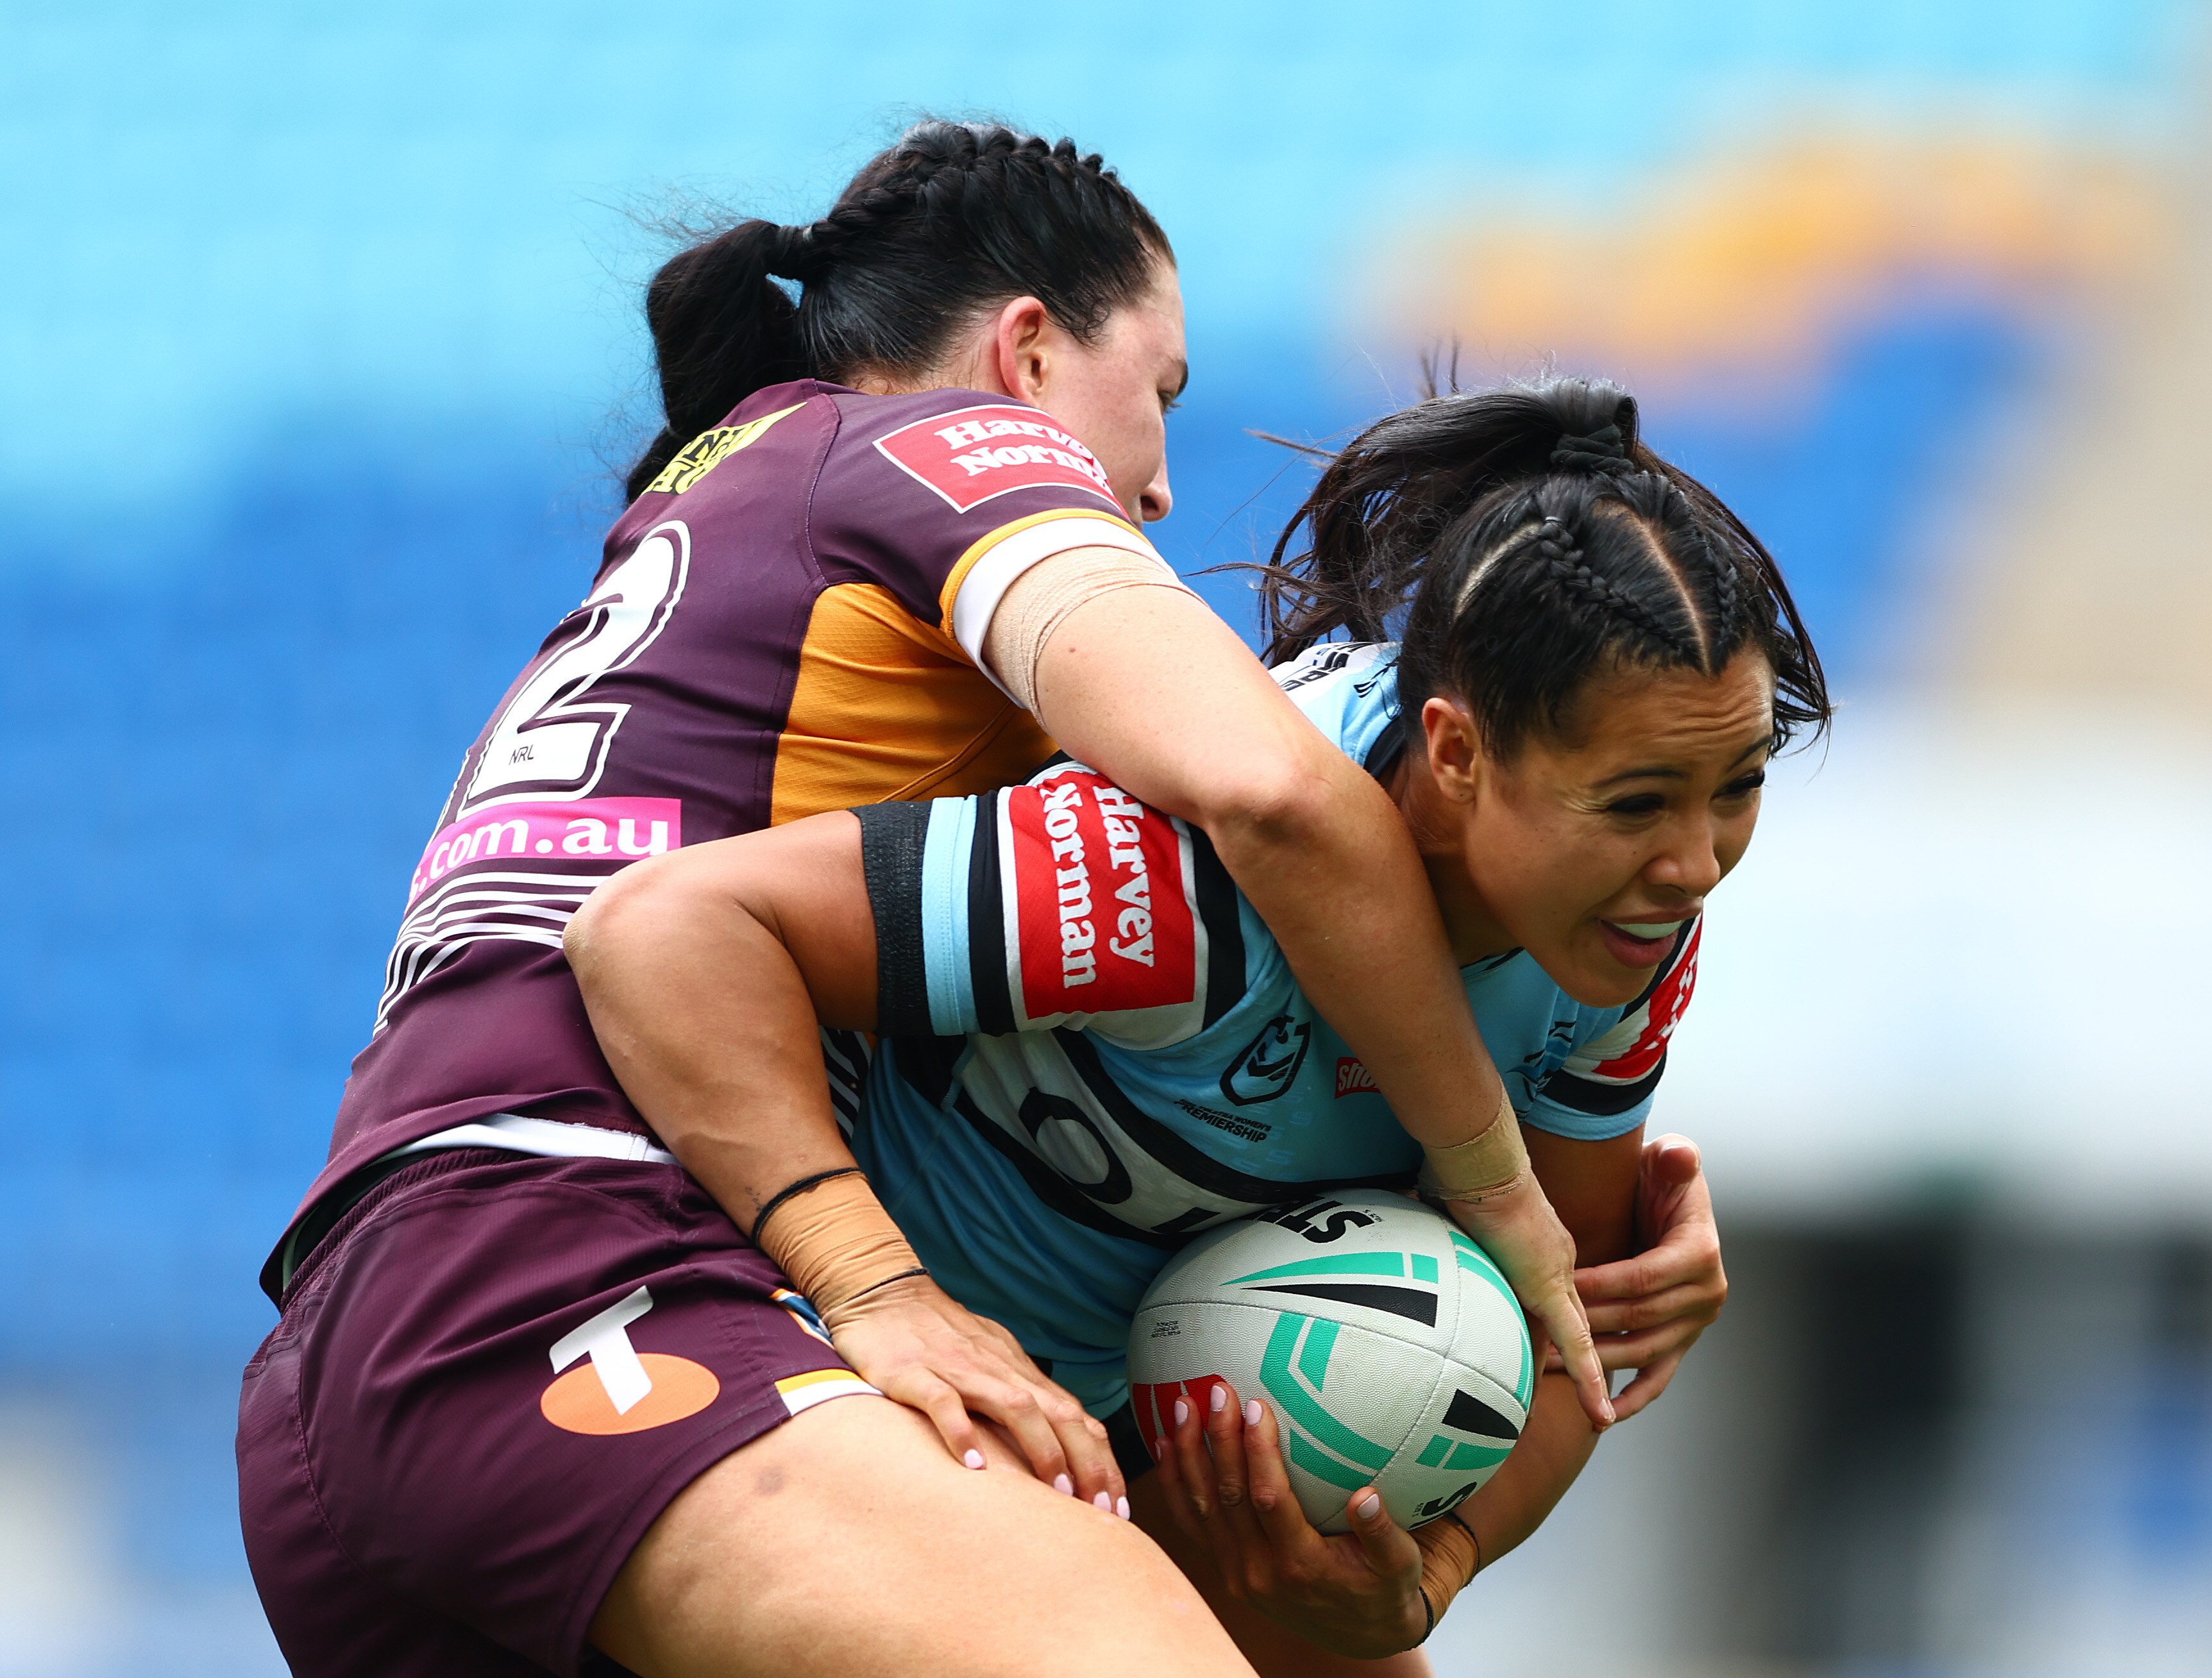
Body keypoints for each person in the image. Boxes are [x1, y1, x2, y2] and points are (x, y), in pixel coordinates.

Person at [236, 121, 1685, 1678]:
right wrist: (1503, 1191)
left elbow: (1242, 940)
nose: (1165, 486)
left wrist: (1622, 1193)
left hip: (406, 1331)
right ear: (1028, 353)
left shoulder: (751, 525)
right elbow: (1276, 800)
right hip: (574, 1264)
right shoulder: (950, 449)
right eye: (1161, 395)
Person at [564, 377, 1829, 1674]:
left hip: (1123, 1442)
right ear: (1452, 754)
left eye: (1737, 790)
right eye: (1635, 804)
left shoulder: (1623, 931)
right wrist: (873, 1285)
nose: (1695, 862)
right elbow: (665, 932)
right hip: (851, 1385)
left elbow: (1570, 1320)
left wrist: (1432, 1571)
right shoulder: (1175, 880)